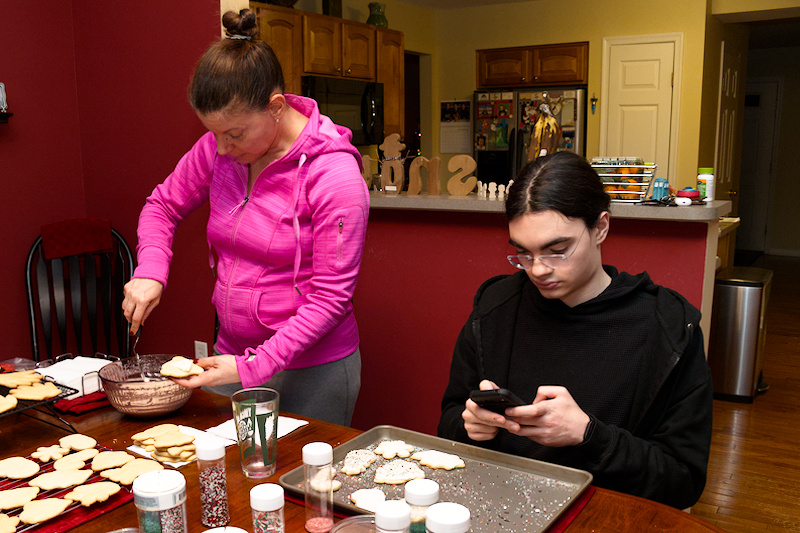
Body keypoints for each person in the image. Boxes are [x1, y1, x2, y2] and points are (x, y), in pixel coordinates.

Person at [122, 9, 369, 426]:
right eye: (214, 133)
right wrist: (150, 269)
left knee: (299, 471)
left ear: (276, 107)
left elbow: (330, 298)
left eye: (234, 134)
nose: (221, 148)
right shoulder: (217, 151)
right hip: (231, 357)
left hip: (313, 371)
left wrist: (253, 366)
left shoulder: (334, 175)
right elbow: (162, 206)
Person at [438, 151, 712, 509]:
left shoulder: (668, 327)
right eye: (523, 253)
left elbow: (682, 480)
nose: (538, 270)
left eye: (557, 250)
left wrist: (588, 436)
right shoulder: (495, 308)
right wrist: (469, 426)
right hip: (499, 510)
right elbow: (450, 418)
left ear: (601, 228)